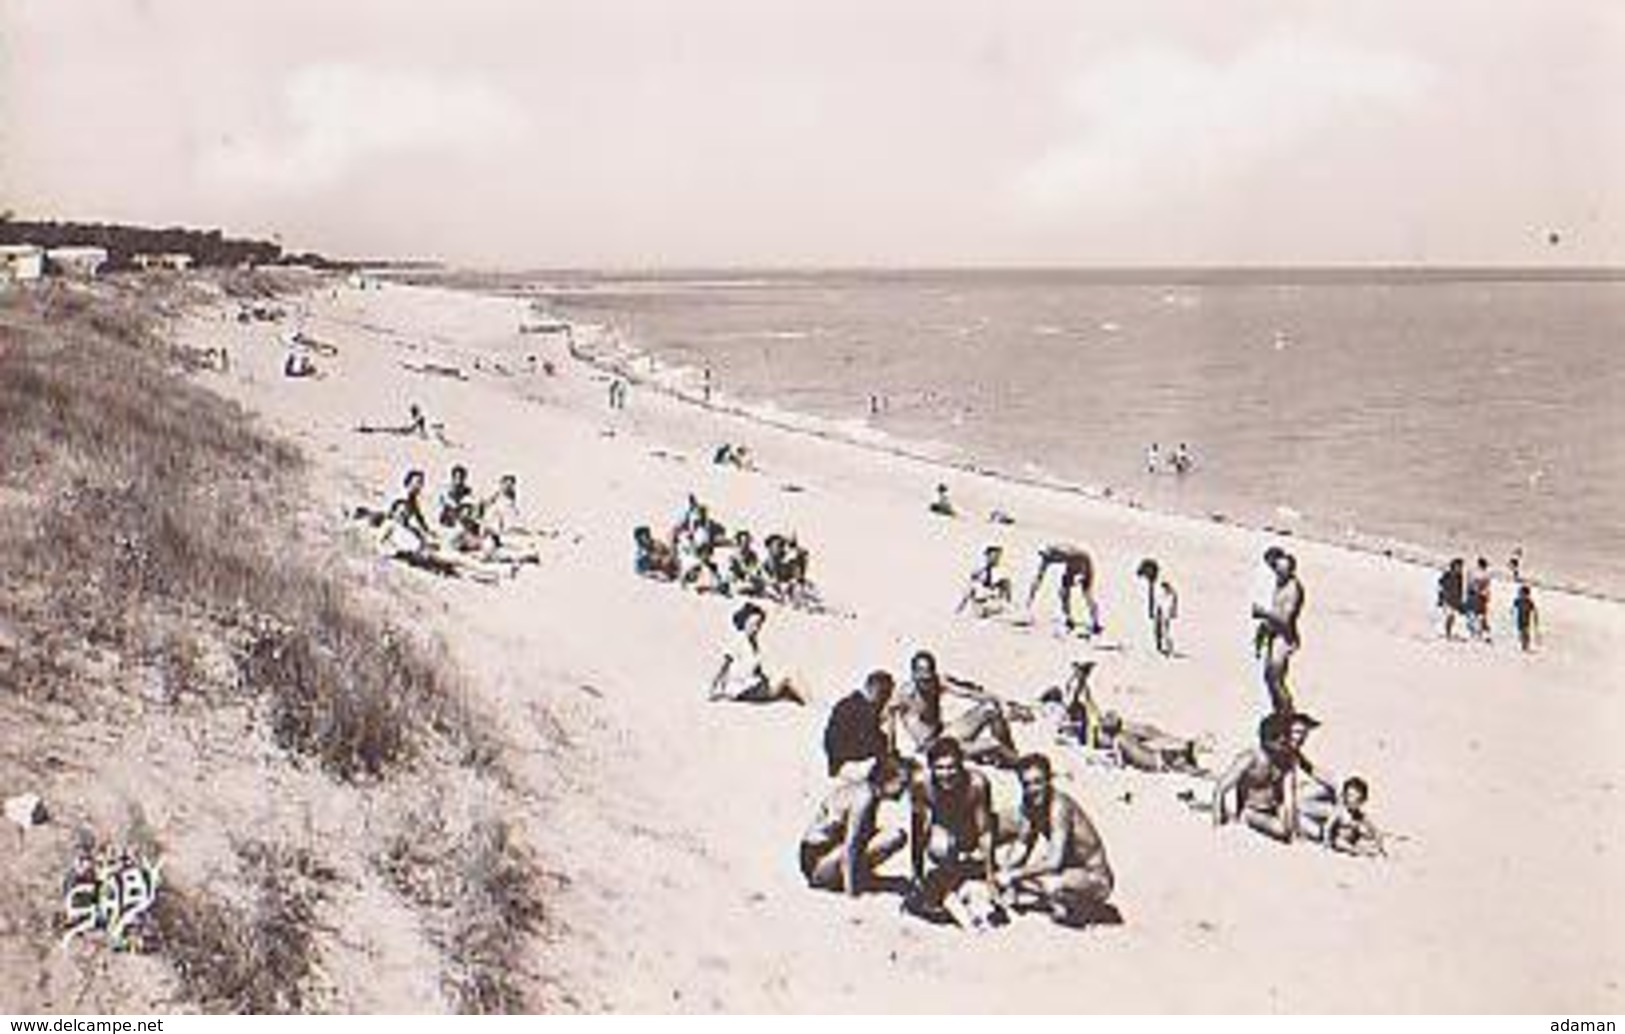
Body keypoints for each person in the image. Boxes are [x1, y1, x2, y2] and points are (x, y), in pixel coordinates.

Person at [995, 754, 1115, 926]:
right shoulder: (1030, 803)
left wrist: (1013, 875)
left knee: (1051, 886)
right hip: (1069, 869)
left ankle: (1081, 908)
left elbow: (1054, 861)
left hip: (1095, 877)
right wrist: (1006, 870)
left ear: (1049, 780)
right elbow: (1022, 844)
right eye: (1027, 784)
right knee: (1017, 876)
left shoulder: (1059, 807)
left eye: (1038, 782)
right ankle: (1063, 902)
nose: (1033, 789)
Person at [906, 738, 1001, 930]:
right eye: (940, 768)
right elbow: (918, 830)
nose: (946, 774)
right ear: (931, 768)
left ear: (961, 766)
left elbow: (984, 830)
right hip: (944, 831)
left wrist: (991, 876)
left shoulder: (977, 783)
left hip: (970, 830)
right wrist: (916, 874)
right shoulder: (921, 784)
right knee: (940, 846)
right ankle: (950, 882)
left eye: (951, 767)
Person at [1212, 712, 1334, 843]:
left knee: (1306, 829)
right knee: (1283, 831)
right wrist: (1218, 822)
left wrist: (1293, 828)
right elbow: (1221, 789)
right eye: (1280, 742)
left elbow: (1289, 797)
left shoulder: (1286, 758)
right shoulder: (1250, 758)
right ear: (1268, 741)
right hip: (1252, 810)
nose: (1284, 745)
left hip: (1275, 806)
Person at [799, 758, 912, 896]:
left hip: (826, 855)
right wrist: (852, 892)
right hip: (818, 864)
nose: (904, 790)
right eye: (902, 784)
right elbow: (852, 845)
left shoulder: (865, 791)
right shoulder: (864, 798)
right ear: (888, 780)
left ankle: (856, 877)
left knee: (893, 836)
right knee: (892, 837)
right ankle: (852, 880)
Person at [893, 650, 1019, 767]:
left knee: (991, 708)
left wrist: (1004, 703)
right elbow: (886, 714)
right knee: (993, 744)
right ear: (913, 674)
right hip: (934, 748)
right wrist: (891, 751)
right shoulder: (906, 696)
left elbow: (969, 692)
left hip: (945, 732)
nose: (926, 679)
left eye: (929, 674)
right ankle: (1018, 762)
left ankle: (1009, 754)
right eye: (922, 676)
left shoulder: (937, 682)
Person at [708, 603, 805, 705]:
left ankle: (806, 704)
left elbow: (753, 670)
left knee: (787, 679)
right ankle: (812, 706)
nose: (756, 628)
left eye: (759, 625)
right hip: (744, 690)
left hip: (752, 686)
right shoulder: (737, 640)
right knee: (791, 673)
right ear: (744, 622)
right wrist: (714, 691)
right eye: (753, 624)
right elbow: (723, 666)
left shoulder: (752, 642)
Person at [1252, 548, 1305, 715]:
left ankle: (1287, 713)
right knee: (1270, 678)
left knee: (1275, 679)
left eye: (1279, 570)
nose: (1276, 572)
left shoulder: (1293, 589)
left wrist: (1262, 613)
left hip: (1284, 639)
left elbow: (1285, 619)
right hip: (1275, 635)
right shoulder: (1280, 583)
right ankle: (1279, 712)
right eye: (1275, 568)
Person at [823, 670, 896, 778]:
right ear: (870, 688)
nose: (885, 698)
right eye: (882, 692)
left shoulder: (864, 705)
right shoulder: (854, 706)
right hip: (846, 764)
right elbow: (836, 741)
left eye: (887, 693)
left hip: (848, 758)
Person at [1024, 544, 1103, 637]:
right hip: (1084, 558)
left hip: (1077, 559)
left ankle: (1070, 619)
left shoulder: (1054, 554)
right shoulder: (1056, 551)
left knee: (1067, 592)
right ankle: (1095, 622)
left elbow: (1038, 578)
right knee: (1085, 592)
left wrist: (1031, 597)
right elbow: (1039, 578)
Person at [1095, 712, 1206, 774]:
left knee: (1181, 767)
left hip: (1153, 763)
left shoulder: (1117, 740)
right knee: (1179, 763)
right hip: (1156, 755)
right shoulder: (1126, 735)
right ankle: (1187, 751)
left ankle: (1195, 764)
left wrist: (1106, 763)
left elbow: (1120, 764)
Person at [1326, 776, 1385, 857]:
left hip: (1353, 837)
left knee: (1366, 834)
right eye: (1349, 796)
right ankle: (1357, 850)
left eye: (1357, 799)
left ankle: (1363, 848)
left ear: (1362, 801)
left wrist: (1377, 837)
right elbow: (1329, 826)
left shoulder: (1359, 814)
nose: (1352, 801)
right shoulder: (1340, 811)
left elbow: (1371, 826)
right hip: (1339, 838)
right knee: (1339, 842)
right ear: (1345, 796)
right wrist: (1327, 842)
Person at [1134, 558, 1179, 657]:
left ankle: (1167, 648)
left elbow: (1173, 594)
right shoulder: (1152, 581)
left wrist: (1173, 608)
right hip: (1158, 606)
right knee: (1157, 627)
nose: (1145, 577)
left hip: (1165, 606)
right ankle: (1160, 647)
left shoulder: (1162, 580)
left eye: (1146, 573)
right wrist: (1151, 609)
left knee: (1163, 628)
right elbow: (1152, 596)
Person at [956, 544, 1013, 618]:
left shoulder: (996, 571)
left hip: (992, 602)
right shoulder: (980, 571)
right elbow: (970, 590)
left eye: (998, 557)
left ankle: (1007, 606)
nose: (997, 559)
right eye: (994, 557)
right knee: (975, 585)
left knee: (1006, 582)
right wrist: (961, 607)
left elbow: (994, 585)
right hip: (981, 605)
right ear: (988, 557)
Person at [1437, 558, 1466, 640]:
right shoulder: (1448, 574)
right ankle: (1447, 633)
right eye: (1459, 566)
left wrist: (1460, 602)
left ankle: (1448, 632)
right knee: (1450, 616)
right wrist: (1441, 598)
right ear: (1454, 566)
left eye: (1461, 566)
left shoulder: (1459, 576)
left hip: (1454, 600)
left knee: (1452, 617)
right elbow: (1441, 585)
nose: (1460, 568)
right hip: (1448, 598)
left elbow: (1460, 589)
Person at [438, 465, 476, 529]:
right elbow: (443, 503)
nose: (458, 481)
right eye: (457, 478)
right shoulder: (445, 490)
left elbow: (470, 505)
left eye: (461, 478)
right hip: (448, 522)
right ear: (453, 478)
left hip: (463, 521)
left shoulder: (467, 491)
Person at [1466, 557, 1493, 642]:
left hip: (1474, 595)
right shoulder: (1486, 575)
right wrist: (1487, 596)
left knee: (1473, 614)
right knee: (1481, 615)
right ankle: (1482, 633)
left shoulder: (1472, 573)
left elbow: (1469, 585)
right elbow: (1487, 587)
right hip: (1481, 596)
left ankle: (1475, 632)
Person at [1513, 584, 1540, 652]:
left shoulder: (1529, 601)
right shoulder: (1518, 600)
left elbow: (1534, 610)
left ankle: (1526, 644)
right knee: (1521, 631)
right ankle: (1523, 644)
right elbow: (1514, 606)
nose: (1521, 595)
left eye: (1523, 594)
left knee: (1525, 631)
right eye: (1520, 593)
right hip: (1519, 619)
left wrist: (1535, 618)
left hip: (1526, 619)